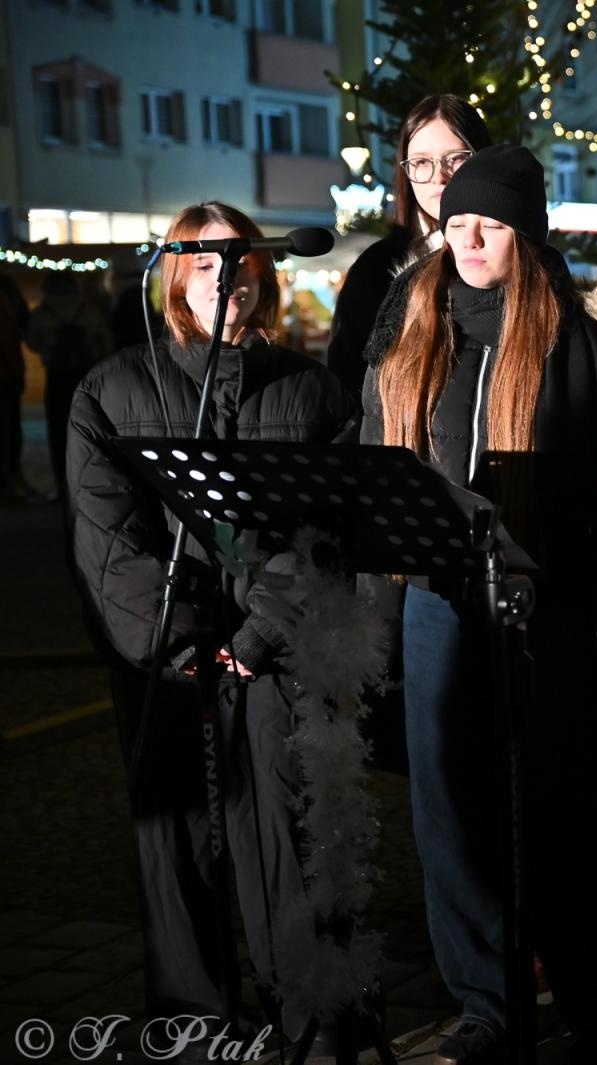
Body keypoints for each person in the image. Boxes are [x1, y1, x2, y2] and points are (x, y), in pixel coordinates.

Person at [362, 144, 597, 1065]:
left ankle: (592, 994)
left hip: (544, 601)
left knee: (561, 808)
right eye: (456, 222)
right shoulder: (413, 322)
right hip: (438, 597)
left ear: (526, 231)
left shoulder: (575, 334)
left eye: (490, 223)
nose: (469, 238)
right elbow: (376, 457)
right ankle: (486, 998)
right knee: (451, 808)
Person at [64, 202, 356, 1046]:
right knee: (177, 855)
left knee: (287, 849)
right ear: (173, 278)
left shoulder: (311, 391)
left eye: (241, 260)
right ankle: (195, 1026)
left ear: (265, 275)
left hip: (272, 662)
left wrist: (256, 635)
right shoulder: (112, 389)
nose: (226, 275)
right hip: (165, 658)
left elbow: (326, 532)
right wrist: (182, 640)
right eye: (203, 262)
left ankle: (308, 1021)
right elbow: (106, 534)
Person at [326, 94, 491, 398]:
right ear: (406, 171)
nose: (439, 177)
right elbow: (345, 384)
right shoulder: (375, 269)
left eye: (455, 159)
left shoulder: (512, 257)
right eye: (421, 162)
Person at [28, 271, 113, 500]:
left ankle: (61, 484)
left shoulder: (42, 313)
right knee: (89, 426)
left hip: (57, 377)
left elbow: (32, 341)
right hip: (85, 374)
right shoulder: (88, 310)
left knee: (57, 432)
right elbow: (105, 341)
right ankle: (89, 481)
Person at [0, 271, 28, 502]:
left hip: (7, 374)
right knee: (8, 431)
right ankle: (9, 482)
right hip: (5, 375)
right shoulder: (6, 290)